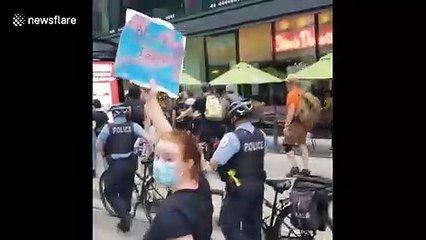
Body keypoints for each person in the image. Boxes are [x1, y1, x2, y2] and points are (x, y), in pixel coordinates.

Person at [142, 81, 213, 240]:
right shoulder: (200, 185)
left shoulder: (172, 213)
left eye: (168, 159)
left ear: (189, 163)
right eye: (157, 157)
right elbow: (171, 136)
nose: (159, 164)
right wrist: (151, 100)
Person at [206, 98, 266, 240]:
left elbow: (214, 163)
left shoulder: (232, 138)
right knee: (252, 227)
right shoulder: (260, 135)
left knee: (228, 224)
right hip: (258, 185)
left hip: (239, 188)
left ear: (233, 118)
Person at [96, 103, 151, 232]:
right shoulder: (133, 126)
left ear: (113, 114)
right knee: (127, 189)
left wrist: (103, 154)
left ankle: (124, 216)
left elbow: (98, 145)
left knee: (109, 191)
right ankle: (126, 216)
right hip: (131, 163)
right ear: (125, 113)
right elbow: (148, 138)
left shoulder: (108, 128)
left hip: (115, 164)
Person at [284, 78, 310, 177]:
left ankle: (295, 167)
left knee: (287, 145)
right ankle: (306, 168)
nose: (286, 85)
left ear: (290, 83)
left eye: (287, 83)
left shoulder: (292, 94)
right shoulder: (303, 93)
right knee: (302, 144)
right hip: (303, 122)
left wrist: (286, 125)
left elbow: (291, 111)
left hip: (295, 123)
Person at [92, 99, 109, 177]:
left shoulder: (93, 114)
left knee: (94, 152)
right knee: (105, 153)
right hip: (105, 136)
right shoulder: (104, 114)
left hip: (96, 135)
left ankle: (94, 169)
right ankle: (107, 169)